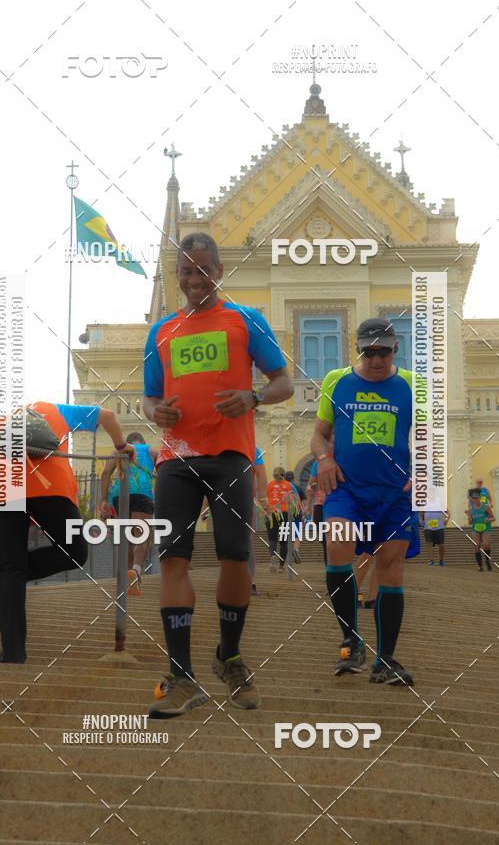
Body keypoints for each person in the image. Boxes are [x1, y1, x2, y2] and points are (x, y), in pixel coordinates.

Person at [143, 232, 292, 718]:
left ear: (219, 271)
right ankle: (181, 675)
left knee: (234, 558)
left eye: (203, 269)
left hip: (230, 455)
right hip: (176, 460)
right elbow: (149, 397)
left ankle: (229, 656)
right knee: (173, 562)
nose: (193, 279)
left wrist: (253, 398)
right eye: (185, 270)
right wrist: (155, 411)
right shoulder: (161, 331)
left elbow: (283, 382)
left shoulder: (246, 320)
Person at [0, 402, 134, 663]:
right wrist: (122, 448)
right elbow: (110, 415)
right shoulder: (55, 410)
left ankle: (13, 654)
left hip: (4, 493)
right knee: (75, 552)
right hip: (51, 488)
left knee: (14, 568)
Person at [310, 317, 419, 687]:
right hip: (347, 489)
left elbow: (431, 440)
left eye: (383, 352)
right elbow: (320, 435)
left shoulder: (412, 385)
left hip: (393, 495)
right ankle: (351, 640)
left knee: (391, 568)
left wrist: (425, 476)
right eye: (368, 352)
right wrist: (324, 458)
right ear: (357, 349)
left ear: (395, 348)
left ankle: (384, 660)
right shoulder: (335, 381)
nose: (375, 360)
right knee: (337, 545)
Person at [100, 431, 158, 594]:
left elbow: (105, 473)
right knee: (142, 535)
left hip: (120, 494)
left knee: (126, 539)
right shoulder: (149, 450)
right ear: (142, 441)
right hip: (142, 492)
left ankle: (128, 581)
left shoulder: (118, 451)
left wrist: (104, 499)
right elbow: (163, 466)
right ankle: (136, 571)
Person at [266, 467, 296, 572]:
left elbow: (263, 499)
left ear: (273, 475)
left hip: (271, 512)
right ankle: (281, 566)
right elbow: (292, 500)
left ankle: (273, 556)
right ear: (284, 475)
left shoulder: (269, 485)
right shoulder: (288, 485)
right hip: (284, 513)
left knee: (272, 539)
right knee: (283, 541)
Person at [250, 446, 269, 594]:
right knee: (247, 543)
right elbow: (262, 474)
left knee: (244, 543)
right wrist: (263, 499)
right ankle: (251, 582)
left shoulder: (252, 447)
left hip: (244, 501)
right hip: (246, 500)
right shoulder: (253, 447)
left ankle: (250, 582)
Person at [466, 487, 495, 572]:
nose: (476, 500)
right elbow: (470, 523)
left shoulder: (485, 507)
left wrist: (488, 519)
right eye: (474, 498)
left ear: (480, 498)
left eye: (477, 498)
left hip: (486, 528)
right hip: (475, 529)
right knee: (476, 545)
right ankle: (480, 566)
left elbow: (493, 518)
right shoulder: (471, 510)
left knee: (486, 545)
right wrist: (469, 518)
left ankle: (487, 560)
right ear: (472, 499)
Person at [285, 470, 305, 563]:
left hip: (285, 512)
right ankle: (296, 549)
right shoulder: (298, 488)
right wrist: (305, 514)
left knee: (285, 533)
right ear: (293, 478)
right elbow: (303, 502)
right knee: (297, 533)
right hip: (297, 512)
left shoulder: (283, 487)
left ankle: (283, 556)